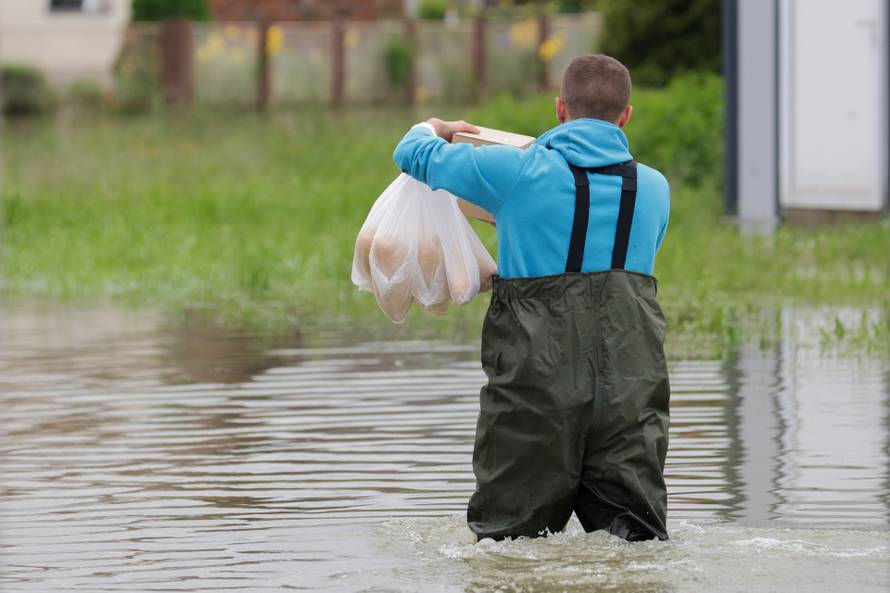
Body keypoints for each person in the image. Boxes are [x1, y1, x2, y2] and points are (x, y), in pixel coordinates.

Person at [392, 54, 671, 542]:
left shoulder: (517, 172)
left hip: (536, 389)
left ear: (560, 107)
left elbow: (412, 153)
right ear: (626, 116)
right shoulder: (654, 188)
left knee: (509, 546)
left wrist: (435, 124)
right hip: (631, 391)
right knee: (635, 548)